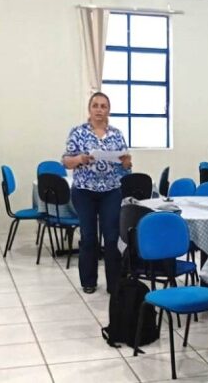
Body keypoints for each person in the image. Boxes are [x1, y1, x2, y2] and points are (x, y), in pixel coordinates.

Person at [62, 92, 132, 294]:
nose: (99, 110)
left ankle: (114, 283)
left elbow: (125, 166)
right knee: (89, 236)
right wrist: (80, 159)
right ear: (89, 109)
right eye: (95, 106)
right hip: (84, 191)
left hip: (111, 190)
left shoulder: (116, 134)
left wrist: (126, 163)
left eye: (103, 106)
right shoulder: (78, 132)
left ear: (109, 110)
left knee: (111, 237)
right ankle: (89, 281)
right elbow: (66, 161)